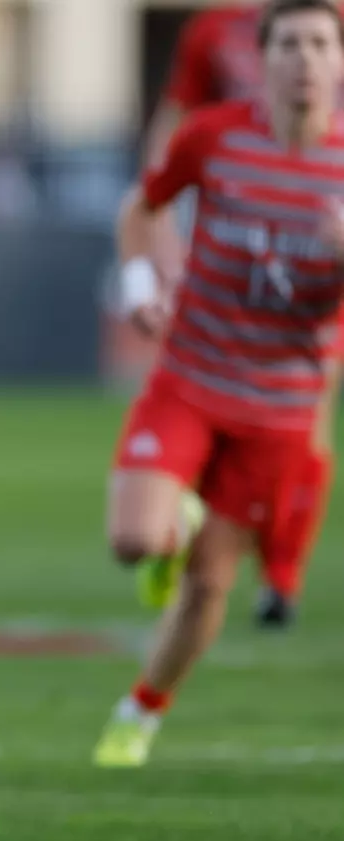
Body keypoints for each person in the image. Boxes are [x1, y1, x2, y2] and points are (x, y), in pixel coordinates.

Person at [98, 0, 344, 768]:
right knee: (133, 542)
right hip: (192, 376)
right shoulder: (216, 135)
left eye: (319, 44)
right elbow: (141, 207)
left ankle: (140, 711)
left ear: (338, 61)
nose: (304, 59)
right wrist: (143, 285)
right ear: (260, 59)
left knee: (208, 589)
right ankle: (173, 524)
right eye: (290, 45)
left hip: (278, 404)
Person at [142, 0, 335, 629]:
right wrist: (155, 244)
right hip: (238, 232)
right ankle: (182, 519)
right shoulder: (214, 28)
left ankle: (282, 573)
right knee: (208, 388)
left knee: (307, 414)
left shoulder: (328, 23)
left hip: (318, 240)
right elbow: (173, 126)